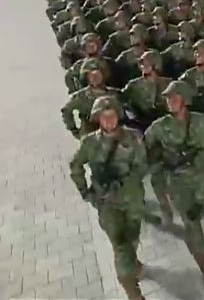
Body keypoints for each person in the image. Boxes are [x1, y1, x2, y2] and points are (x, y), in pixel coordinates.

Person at [69, 96, 148, 300]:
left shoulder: (133, 137)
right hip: (106, 204)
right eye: (104, 118)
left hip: (132, 200)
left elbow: (142, 165)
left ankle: (134, 261)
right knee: (120, 247)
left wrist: (125, 182)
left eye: (112, 116)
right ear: (97, 119)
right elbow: (75, 166)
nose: (109, 121)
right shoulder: (90, 143)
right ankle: (134, 294)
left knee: (132, 237)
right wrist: (85, 192)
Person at [144, 81, 204, 287]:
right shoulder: (159, 127)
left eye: (174, 98)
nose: (170, 103)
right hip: (179, 183)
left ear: (185, 101)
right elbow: (145, 148)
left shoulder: (201, 122)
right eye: (167, 99)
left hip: (202, 178)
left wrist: (203, 189)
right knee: (192, 225)